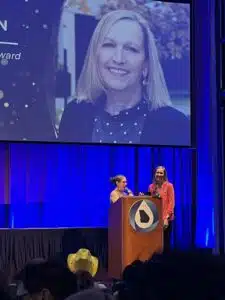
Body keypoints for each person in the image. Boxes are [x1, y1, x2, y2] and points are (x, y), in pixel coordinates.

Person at [59, 9, 190, 146]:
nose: (118, 58)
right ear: (95, 56)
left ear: (146, 65)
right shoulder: (74, 115)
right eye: (109, 45)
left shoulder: (174, 125)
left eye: (131, 49)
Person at [149, 166, 175, 251]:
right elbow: (151, 202)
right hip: (155, 219)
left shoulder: (169, 186)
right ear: (155, 174)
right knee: (155, 243)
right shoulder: (151, 187)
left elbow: (171, 203)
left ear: (164, 175)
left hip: (166, 218)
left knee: (165, 243)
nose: (159, 174)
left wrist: (166, 218)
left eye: (161, 173)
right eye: (157, 172)